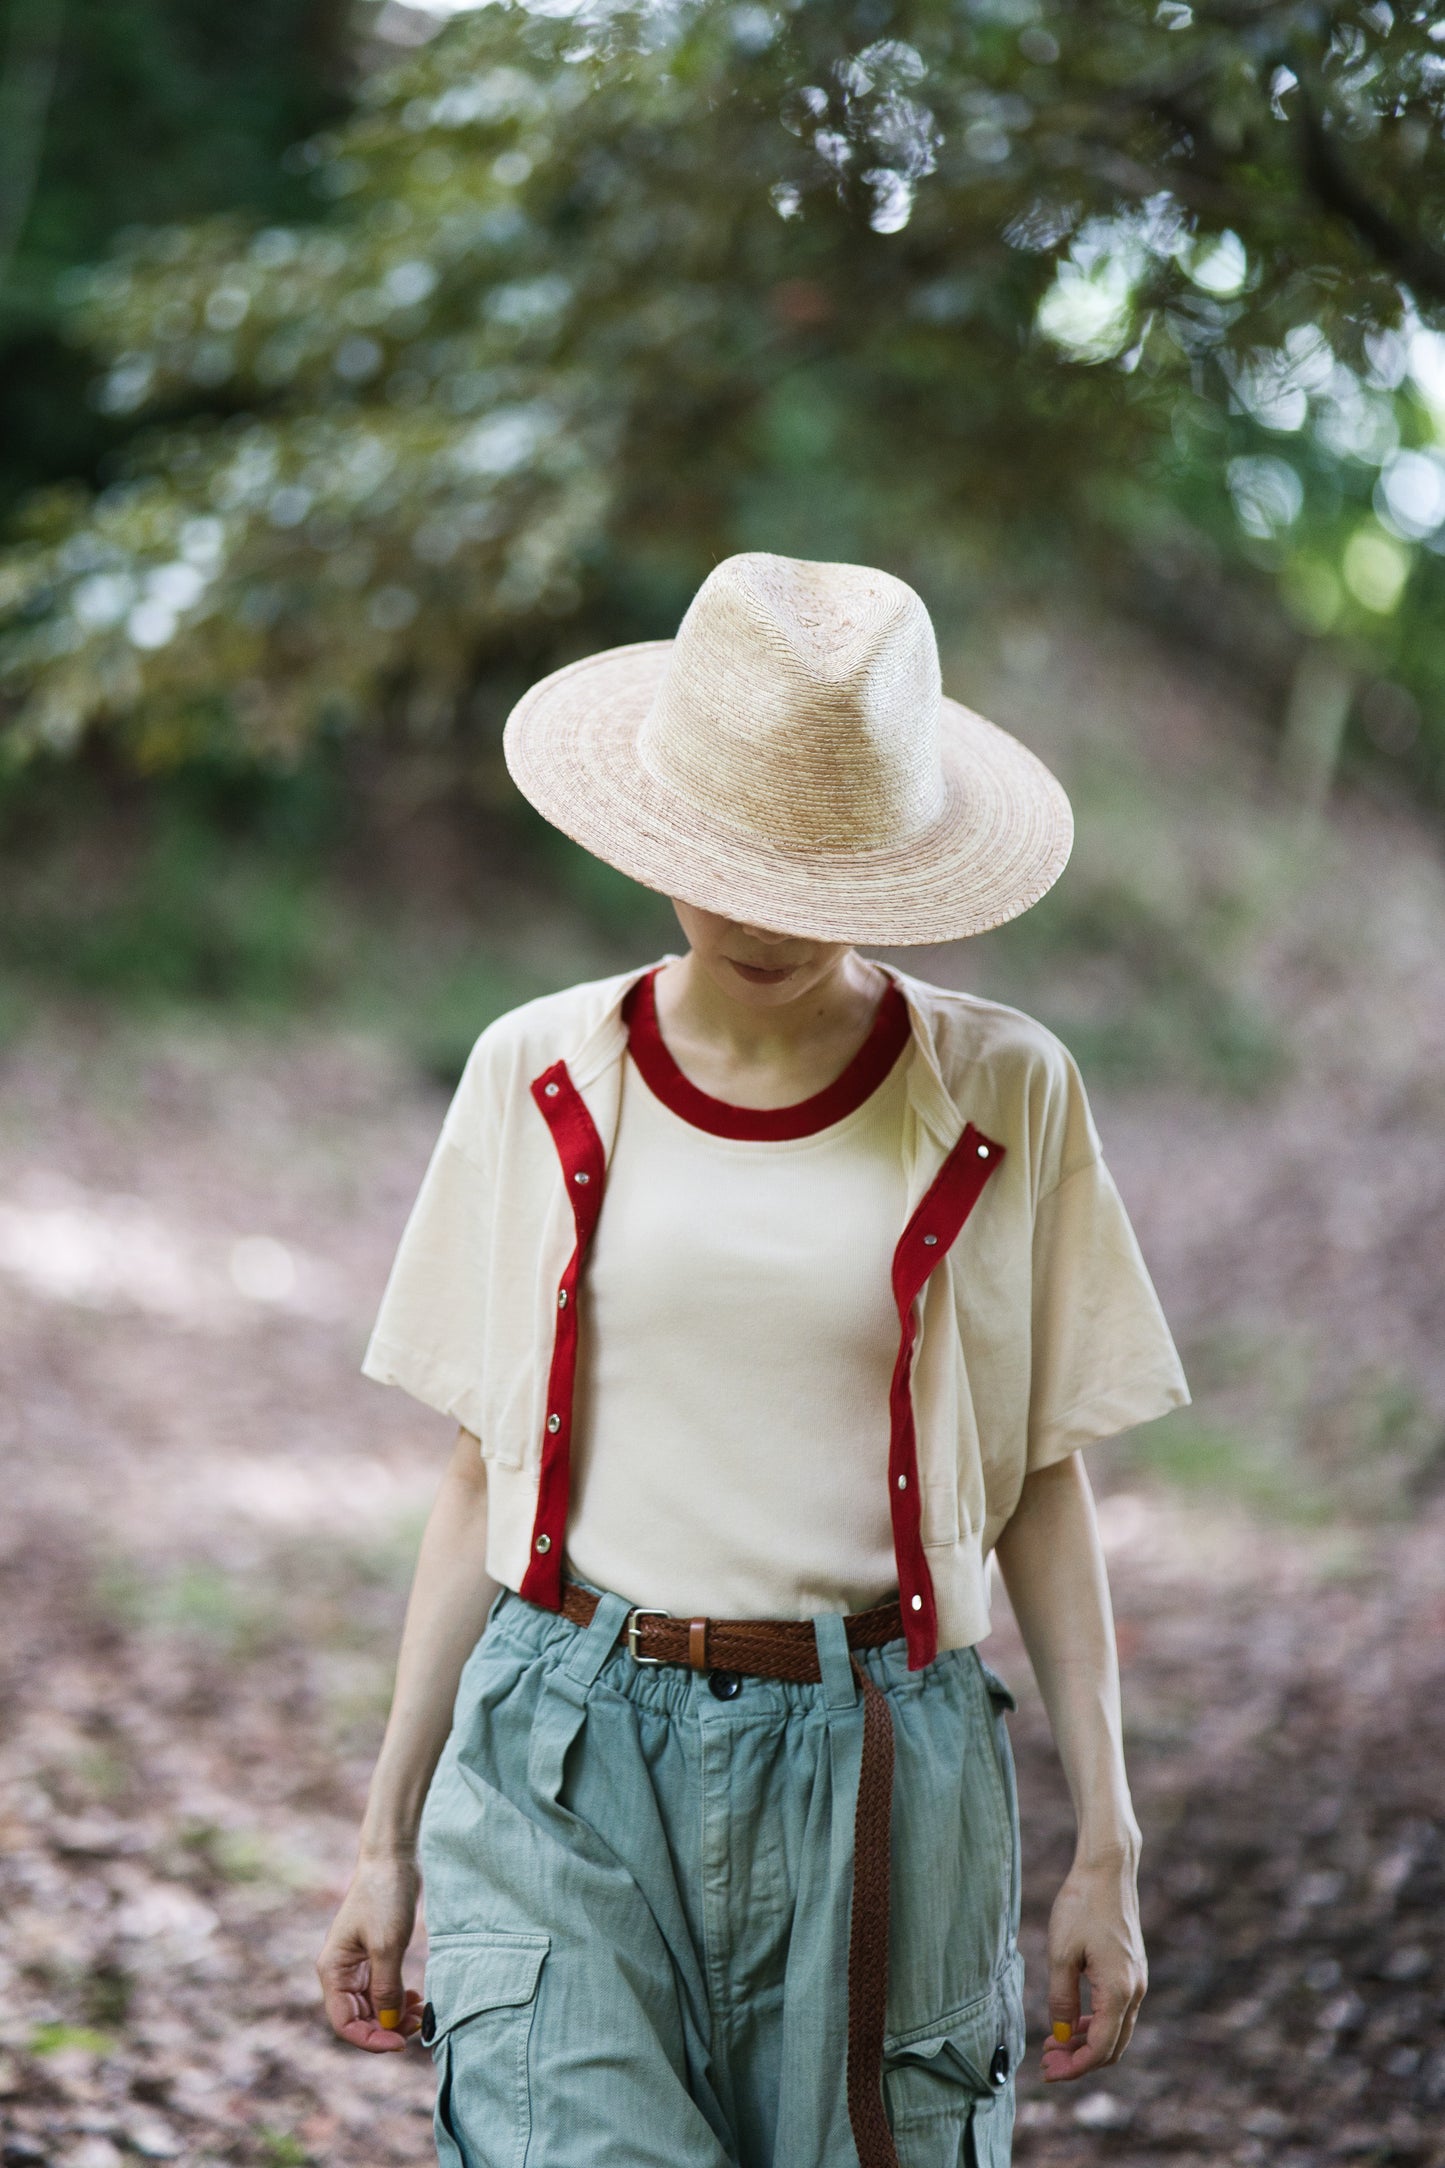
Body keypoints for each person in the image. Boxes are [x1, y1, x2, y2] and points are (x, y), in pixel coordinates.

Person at [316, 552, 1190, 2168]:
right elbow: (474, 1469)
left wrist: (1107, 1848)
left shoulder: (1008, 1091)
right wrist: (383, 1836)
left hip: (883, 1770)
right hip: (563, 1753)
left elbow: (1039, 1481)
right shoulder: (537, 1074)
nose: (767, 914)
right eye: (729, 861)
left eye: (819, 869)